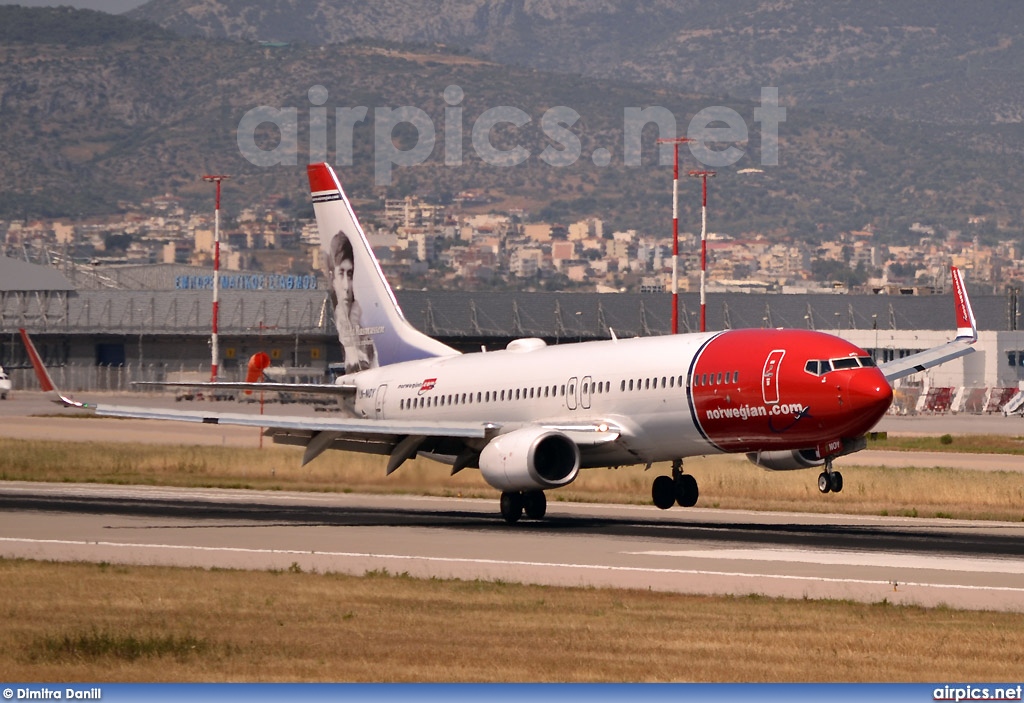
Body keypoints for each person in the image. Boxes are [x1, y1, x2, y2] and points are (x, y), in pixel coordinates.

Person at [326, 230, 377, 374]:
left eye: (350, 274)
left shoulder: (365, 322)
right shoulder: (338, 320)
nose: (347, 286)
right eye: (341, 273)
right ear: (332, 277)